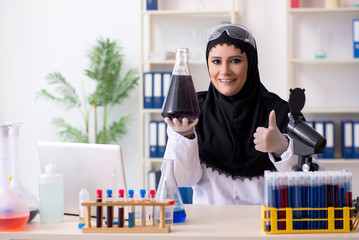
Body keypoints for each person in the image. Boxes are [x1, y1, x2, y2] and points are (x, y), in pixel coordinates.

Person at [163, 24, 323, 205]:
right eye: (216, 61)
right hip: (210, 228)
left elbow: (312, 183)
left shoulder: (281, 112)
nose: (224, 71)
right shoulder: (194, 110)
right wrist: (184, 136)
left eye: (235, 61)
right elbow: (181, 180)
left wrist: (282, 147)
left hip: (264, 228)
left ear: (251, 63)